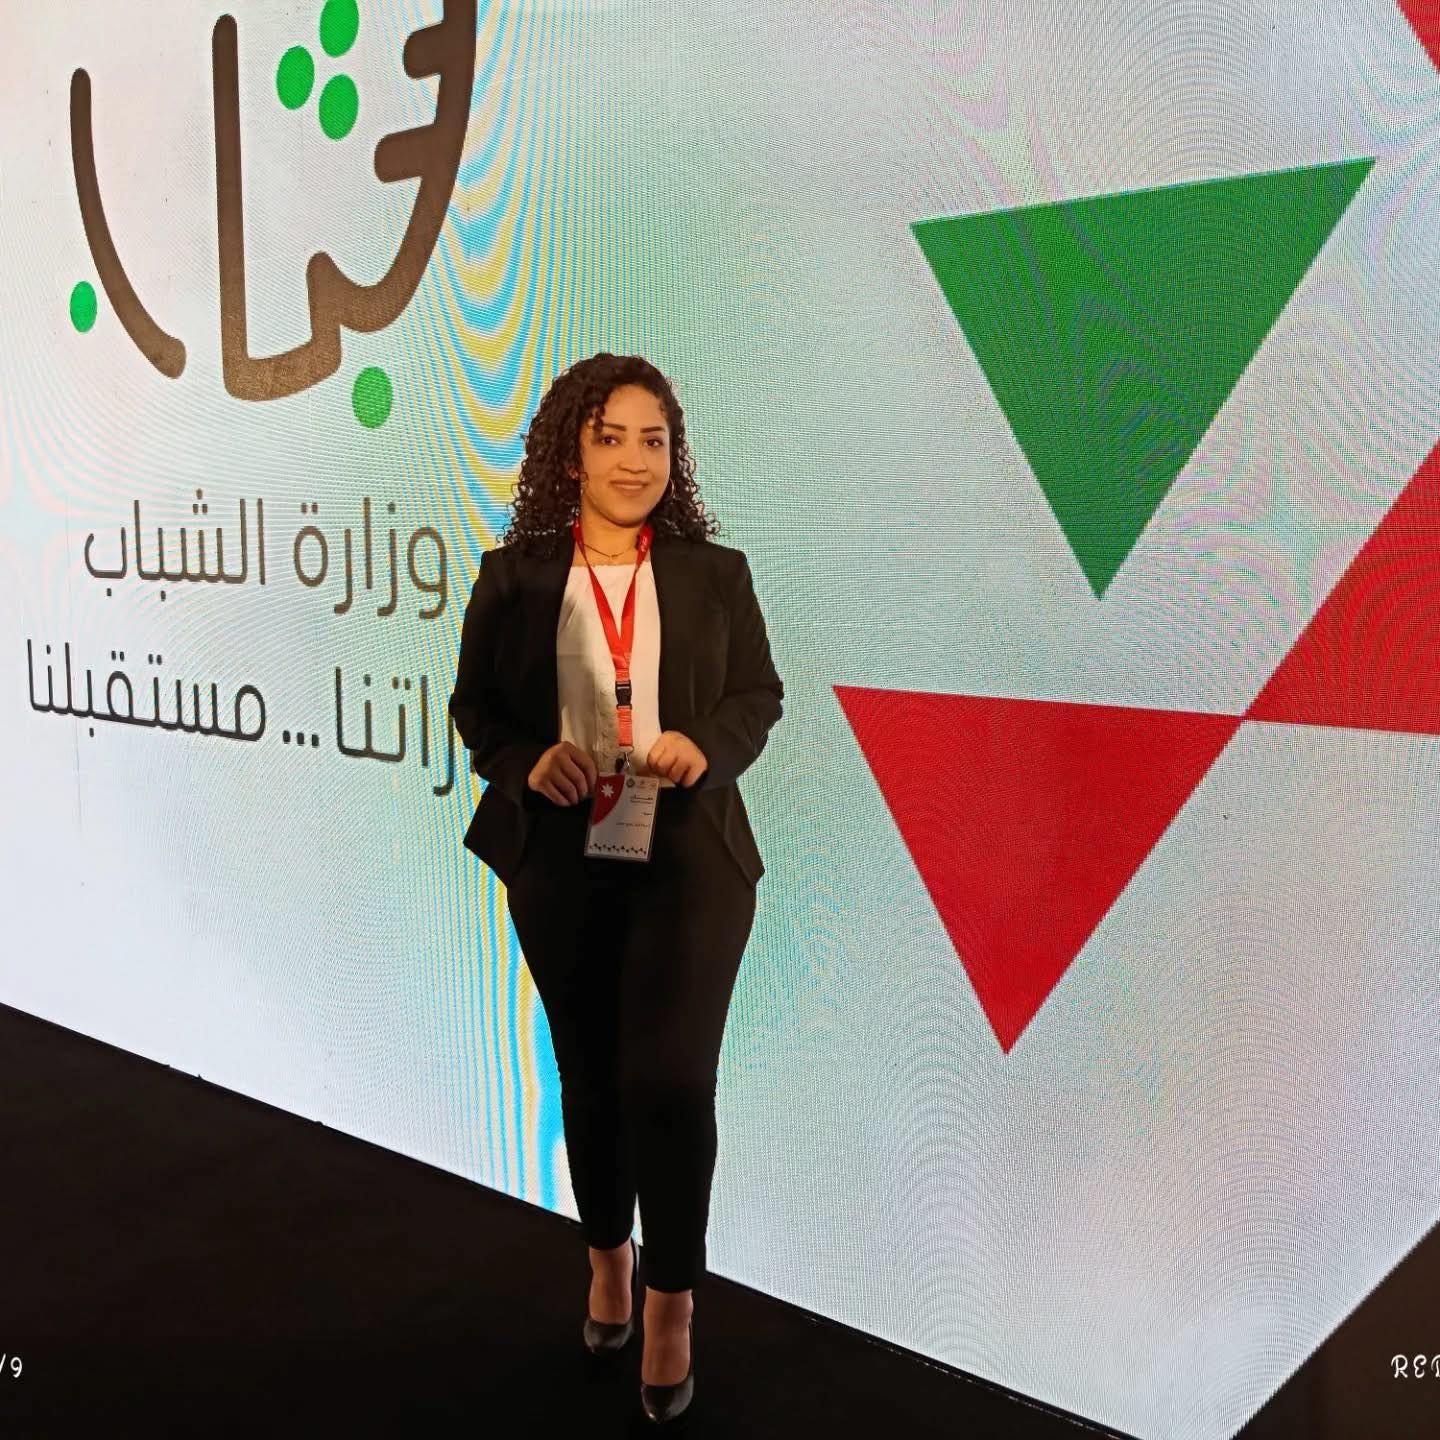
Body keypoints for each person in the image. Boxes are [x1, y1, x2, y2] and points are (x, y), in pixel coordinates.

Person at [447, 351, 783, 1424]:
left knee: (672, 1085)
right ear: (570, 454)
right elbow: (474, 711)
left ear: (674, 455)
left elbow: (759, 696)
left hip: (692, 862)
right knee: (589, 1079)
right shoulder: (514, 577)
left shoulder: (715, 573)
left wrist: (707, 745)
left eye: (654, 439)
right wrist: (525, 761)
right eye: (610, 438)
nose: (635, 460)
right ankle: (608, 1259)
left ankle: (672, 1301)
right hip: (562, 863)